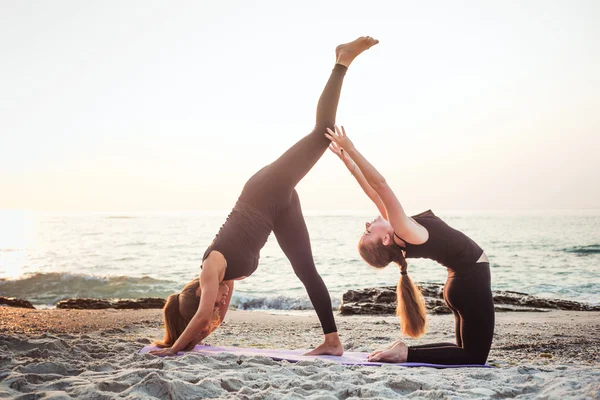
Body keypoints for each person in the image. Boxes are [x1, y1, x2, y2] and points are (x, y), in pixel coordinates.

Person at [149, 36, 380, 357]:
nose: (220, 305)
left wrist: (171, 350)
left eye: (214, 301)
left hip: (261, 193)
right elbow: (206, 320)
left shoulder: (210, 267)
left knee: (322, 130)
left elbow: (202, 314)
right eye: (218, 308)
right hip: (276, 209)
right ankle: (332, 341)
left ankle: (342, 60)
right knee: (306, 271)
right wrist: (197, 336)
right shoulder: (222, 284)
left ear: (204, 291)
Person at [326, 125, 494, 365]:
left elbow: (374, 192)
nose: (368, 222)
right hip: (470, 283)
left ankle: (404, 351)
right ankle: (406, 353)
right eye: (367, 231)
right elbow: (381, 185)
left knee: (465, 351)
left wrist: (348, 162)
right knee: (474, 357)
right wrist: (350, 147)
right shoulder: (404, 231)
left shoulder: (400, 231)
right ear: (384, 240)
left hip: (462, 284)